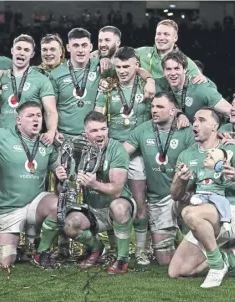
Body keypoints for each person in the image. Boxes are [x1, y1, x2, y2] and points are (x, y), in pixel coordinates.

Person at [0, 101, 60, 269]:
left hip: (35, 206)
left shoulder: (46, 143)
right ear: (18, 120)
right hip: (8, 210)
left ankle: (40, 251)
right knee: (3, 263)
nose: (35, 119)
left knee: (57, 205)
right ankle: (20, 246)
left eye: (38, 115)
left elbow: (59, 167)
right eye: (30, 116)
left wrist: (61, 171)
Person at [169, 107, 235, 288]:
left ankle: (216, 265)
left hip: (233, 211)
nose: (195, 124)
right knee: (177, 271)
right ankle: (228, 258)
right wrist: (180, 180)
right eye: (194, 120)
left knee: (191, 214)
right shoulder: (187, 155)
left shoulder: (232, 150)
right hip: (205, 216)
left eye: (201, 120)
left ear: (215, 126)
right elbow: (175, 195)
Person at [56, 111, 135, 273]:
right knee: (69, 225)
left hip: (115, 207)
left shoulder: (117, 150)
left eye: (103, 129)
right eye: (94, 131)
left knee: (119, 206)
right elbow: (64, 190)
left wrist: (94, 184)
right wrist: (63, 179)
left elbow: (117, 190)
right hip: (90, 208)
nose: (100, 134)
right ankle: (97, 248)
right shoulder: (75, 149)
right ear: (85, 133)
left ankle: (122, 259)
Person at [95, 46, 153, 265]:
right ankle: (113, 248)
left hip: (137, 154)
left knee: (139, 201)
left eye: (127, 66)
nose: (122, 70)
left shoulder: (147, 88)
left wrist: (149, 79)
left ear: (136, 65)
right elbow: (99, 119)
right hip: (112, 153)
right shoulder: (107, 88)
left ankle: (140, 250)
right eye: (118, 66)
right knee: (111, 200)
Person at [123, 92, 195, 265]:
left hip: (183, 196)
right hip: (158, 200)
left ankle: (188, 237)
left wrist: (191, 191)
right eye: (153, 106)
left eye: (160, 107)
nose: (154, 110)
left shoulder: (186, 130)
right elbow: (122, 153)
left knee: (193, 239)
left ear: (173, 111)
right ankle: (175, 240)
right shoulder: (143, 129)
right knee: (164, 261)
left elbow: (198, 161)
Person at [0, 34, 58, 146]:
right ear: (12, 51)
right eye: (18, 48)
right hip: (4, 141)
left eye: (26, 50)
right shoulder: (1, 78)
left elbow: (51, 111)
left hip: (30, 141)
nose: (21, 52)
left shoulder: (42, 80)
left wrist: (51, 132)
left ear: (32, 54)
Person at [156, 51, 231, 123]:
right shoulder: (160, 85)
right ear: (164, 71)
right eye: (168, 69)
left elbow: (230, 111)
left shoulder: (201, 88)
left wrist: (224, 131)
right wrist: (179, 114)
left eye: (177, 68)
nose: (172, 73)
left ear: (185, 69)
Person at [135, 19, 205, 81]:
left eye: (166, 34)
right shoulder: (142, 53)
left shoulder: (185, 62)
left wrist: (204, 81)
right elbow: (125, 55)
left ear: (175, 38)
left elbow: (207, 86)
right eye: (158, 34)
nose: (161, 38)